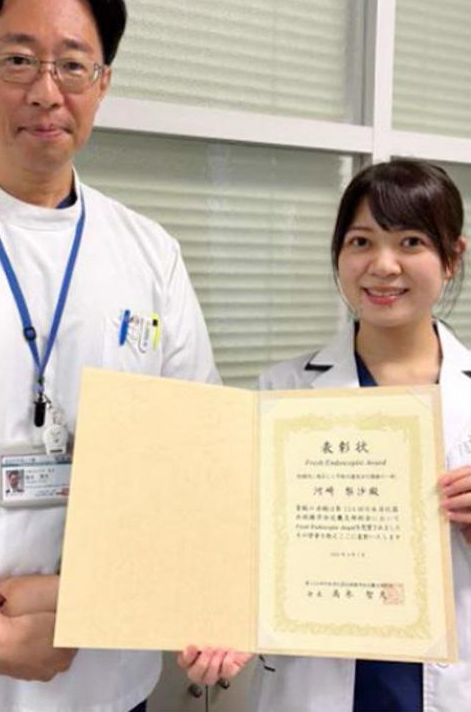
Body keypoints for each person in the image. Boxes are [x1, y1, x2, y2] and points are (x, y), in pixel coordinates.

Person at [0, 0, 219, 711]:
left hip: (112, 681)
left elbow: (193, 456)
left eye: (73, 65)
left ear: (102, 83)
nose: (47, 91)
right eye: (18, 60)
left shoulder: (150, 254)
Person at [179, 159, 471, 711]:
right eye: (361, 241)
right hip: (312, 686)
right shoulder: (281, 392)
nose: (383, 265)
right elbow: (242, 549)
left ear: (452, 257)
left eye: (410, 242)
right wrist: (222, 623)